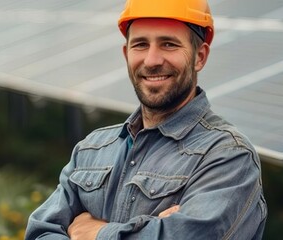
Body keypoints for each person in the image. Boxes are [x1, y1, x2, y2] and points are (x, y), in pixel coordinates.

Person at [25, 0, 267, 239]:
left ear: (199, 56)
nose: (152, 60)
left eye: (169, 45)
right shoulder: (91, 150)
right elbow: (40, 233)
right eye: (140, 45)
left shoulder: (228, 157)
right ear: (126, 53)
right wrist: (151, 231)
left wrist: (96, 233)